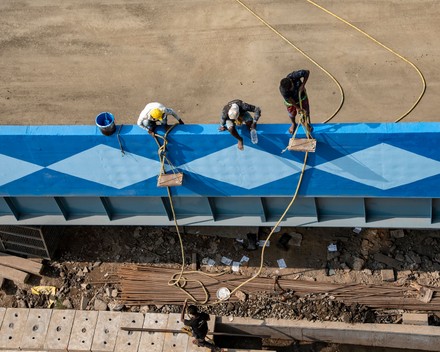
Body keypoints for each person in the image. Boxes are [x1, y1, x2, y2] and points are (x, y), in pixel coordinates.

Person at [279, 69, 312, 134]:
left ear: (291, 82)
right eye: (289, 90)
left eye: (291, 88)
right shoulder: (283, 90)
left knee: (305, 112)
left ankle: (305, 122)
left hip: (301, 97)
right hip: (291, 102)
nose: (291, 89)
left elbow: (307, 72)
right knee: (291, 114)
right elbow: (290, 100)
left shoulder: (293, 76)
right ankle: (293, 123)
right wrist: (298, 108)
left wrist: (303, 85)